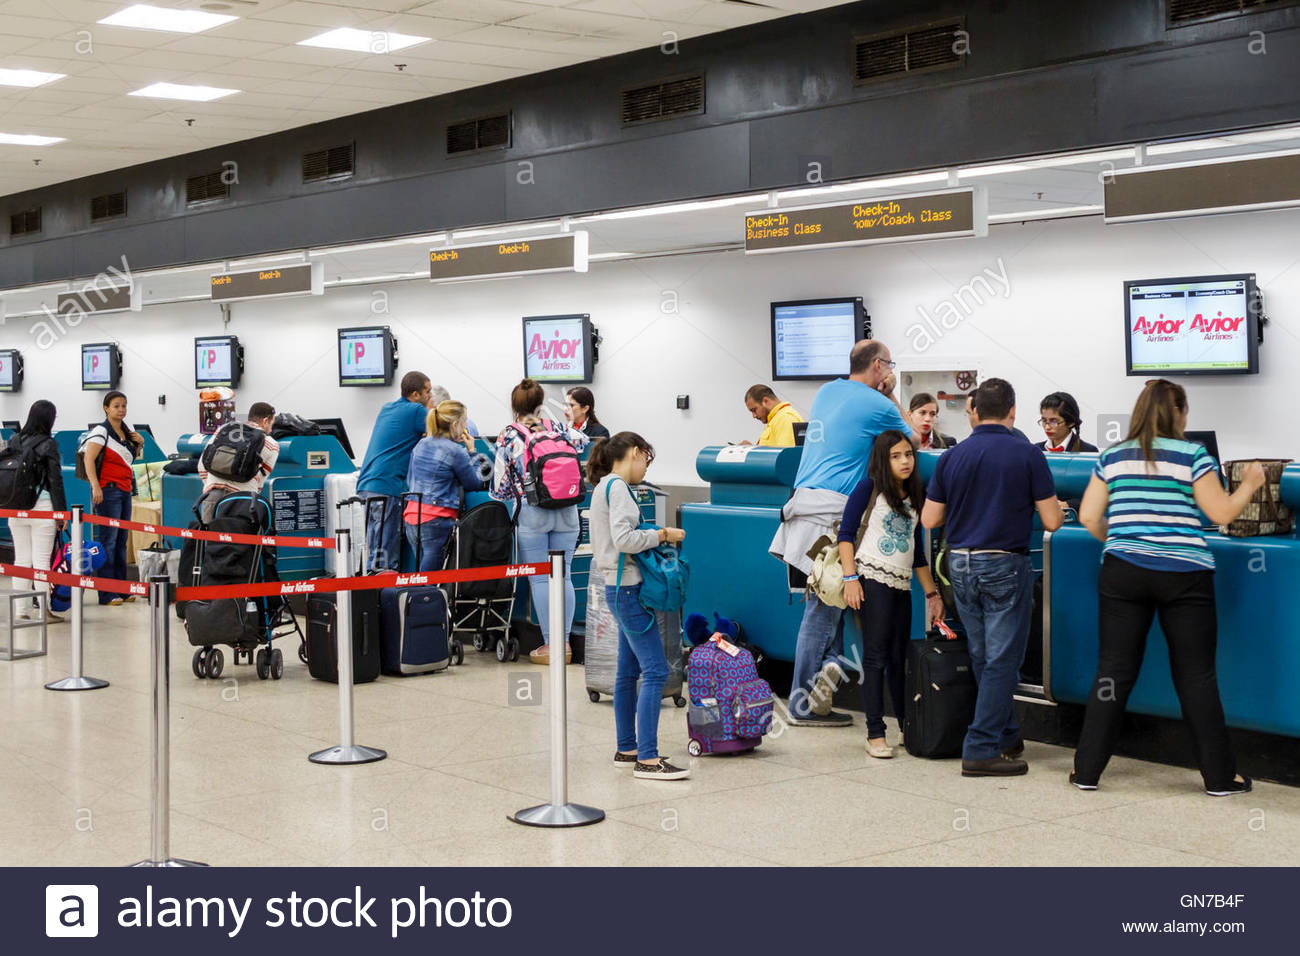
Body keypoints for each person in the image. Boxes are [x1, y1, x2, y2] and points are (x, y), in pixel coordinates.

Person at [1071, 379, 1261, 796]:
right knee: (1196, 676)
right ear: (1178, 413)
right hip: (1184, 575)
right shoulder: (1193, 455)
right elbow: (1220, 513)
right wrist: (1250, 483)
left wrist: (1119, 541)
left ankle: (1086, 772)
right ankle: (1219, 778)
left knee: (1112, 672)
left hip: (1122, 573)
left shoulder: (1112, 455)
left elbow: (1088, 517)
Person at [769, 339, 918, 726]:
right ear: (878, 365)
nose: (890, 371)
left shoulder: (826, 391)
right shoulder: (878, 404)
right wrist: (892, 395)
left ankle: (823, 683)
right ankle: (801, 704)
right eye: (889, 365)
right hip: (831, 515)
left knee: (829, 602)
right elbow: (914, 441)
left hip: (802, 507)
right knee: (822, 611)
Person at [921, 378, 1065, 776]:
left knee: (984, 656)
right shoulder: (1027, 454)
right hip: (1003, 564)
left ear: (976, 411)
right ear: (1012, 411)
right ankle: (980, 748)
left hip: (960, 565)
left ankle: (1007, 735)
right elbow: (1052, 520)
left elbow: (930, 519)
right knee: (1002, 660)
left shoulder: (951, 456)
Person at [587, 431, 690, 780]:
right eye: (647, 458)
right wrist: (662, 534)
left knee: (628, 671)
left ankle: (627, 748)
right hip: (628, 591)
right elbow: (624, 539)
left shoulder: (604, 486)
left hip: (617, 588)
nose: (646, 467)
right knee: (656, 671)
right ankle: (647, 758)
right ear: (634, 452)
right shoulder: (617, 487)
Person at [839, 430, 945, 757]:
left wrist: (933, 595)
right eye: (896, 456)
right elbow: (845, 535)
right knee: (875, 657)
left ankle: (905, 726)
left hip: (901, 585)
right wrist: (851, 578)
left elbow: (917, 553)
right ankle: (875, 733)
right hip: (871, 579)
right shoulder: (868, 488)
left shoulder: (915, 494)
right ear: (883, 461)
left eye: (908, 455)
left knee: (900, 659)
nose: (904, 461)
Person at [492, 378, 588, 664]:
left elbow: (500, 487)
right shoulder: (557, 427)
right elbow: (583, 442)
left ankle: (551, 644)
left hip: (533, 512)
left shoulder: (509, 435)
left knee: (541, 579)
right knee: (564, 575)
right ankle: (566, 644)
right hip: (568, 509)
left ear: (514, 406)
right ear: (540, 402)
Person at [356, 371, 432, 571]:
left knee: (376, 548)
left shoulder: (387, 408)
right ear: (415, 394)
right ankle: (384, 588)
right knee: (386, 555)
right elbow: (443, 431)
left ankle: (373, 584)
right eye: (427, 392)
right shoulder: (417, 410)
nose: (430, 397)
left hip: (367, 485)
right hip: (387, 487)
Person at [405, 400, 488, 571]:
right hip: (437, 519)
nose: (465, 426)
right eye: (464, 422)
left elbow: (410, 478)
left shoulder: (421, 444)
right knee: (432, 580)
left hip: (412, 515)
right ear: (455, 425)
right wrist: (472, 452)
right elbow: (475, 483)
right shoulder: (455, 451)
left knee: (422, 575)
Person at [83, 390, 144, 606]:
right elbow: (89, 459)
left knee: (121, 542)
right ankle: (107, 593)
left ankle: (121, 588)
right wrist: (95, 486)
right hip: (108, 491)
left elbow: (130, 460)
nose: (121, 410)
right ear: (106, 408)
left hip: (125, 490)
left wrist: (139, 444)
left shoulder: (126, 432)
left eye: (124, 406)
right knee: (108, 541)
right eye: (116, 406)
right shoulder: (101, 431)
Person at [8, 400, 67, 622]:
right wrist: (61, 513)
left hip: (15, 507)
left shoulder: (15, 440)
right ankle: (44, 611)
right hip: (41, 508)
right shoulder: (49, 444)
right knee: (41, 561)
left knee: (21, 560)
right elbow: (55, 481)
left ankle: (20, 610)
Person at [198, 402, 279, 497]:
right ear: (265, 421)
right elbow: (260, 482)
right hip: (243, 498)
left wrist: (210, 486)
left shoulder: (224, 429)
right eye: (271, 424)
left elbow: (202, 465)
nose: (271, 430)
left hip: (212, 495)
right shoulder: (272, 444)